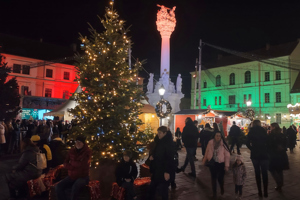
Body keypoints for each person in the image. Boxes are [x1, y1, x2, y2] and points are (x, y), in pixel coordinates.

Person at [55, 135, 92, 200]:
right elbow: (65, 162)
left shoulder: (87, 152)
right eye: (77, 142)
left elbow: (82, 165)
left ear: (83, 143)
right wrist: (71, 167)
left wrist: (71, 163)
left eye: (80, 142)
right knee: (58, 186)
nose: (78, 143)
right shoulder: (72, 151)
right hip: (71, 176)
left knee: (75, 188)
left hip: (82, 177)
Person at [148, 126, 175, 200]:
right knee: (153, 188)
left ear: (165, 133)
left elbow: (169, 158)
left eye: (159, 133)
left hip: (163, 170)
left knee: (163, 190)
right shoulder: (159, 141)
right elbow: (156, 152)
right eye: (157, 133)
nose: (158, 134)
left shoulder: (168, 143)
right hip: (157, 168)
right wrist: (152, 156)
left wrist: (167, 171)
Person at [202, 132, 230, 198]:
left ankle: (222, 187)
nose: (218, 137)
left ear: (221, 137)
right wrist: (204, 160)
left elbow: (227, 155)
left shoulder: (223, 144)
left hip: (221, 163)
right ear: (214, 136)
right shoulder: (210, 143)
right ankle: (214, 193)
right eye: (217, 135)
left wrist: (226, 165)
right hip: (213, 163)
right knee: (213, 178)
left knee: (220, 179)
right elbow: (207, 151)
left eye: (219, 136)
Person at [246, 120, 269, 198]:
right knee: (265, 173)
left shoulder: (251, 131)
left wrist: (252, 148)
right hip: (264, 153)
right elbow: (267, 141)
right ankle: (265, 191)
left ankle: (260, 191)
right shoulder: (263, 130)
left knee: (257, 172)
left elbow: (247, 142)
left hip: (255, 154)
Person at [268, 123, 289, 192]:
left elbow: (269, 145)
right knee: (280, 170)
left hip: (273, 155)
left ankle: (278, 182)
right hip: (282, 154)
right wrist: (282, 148)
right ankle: (280, 183)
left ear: (273, 127)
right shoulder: (282, 135)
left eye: (271, 127)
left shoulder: (271, 135)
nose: (270, 128)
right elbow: (286, 144)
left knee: (272, 169)